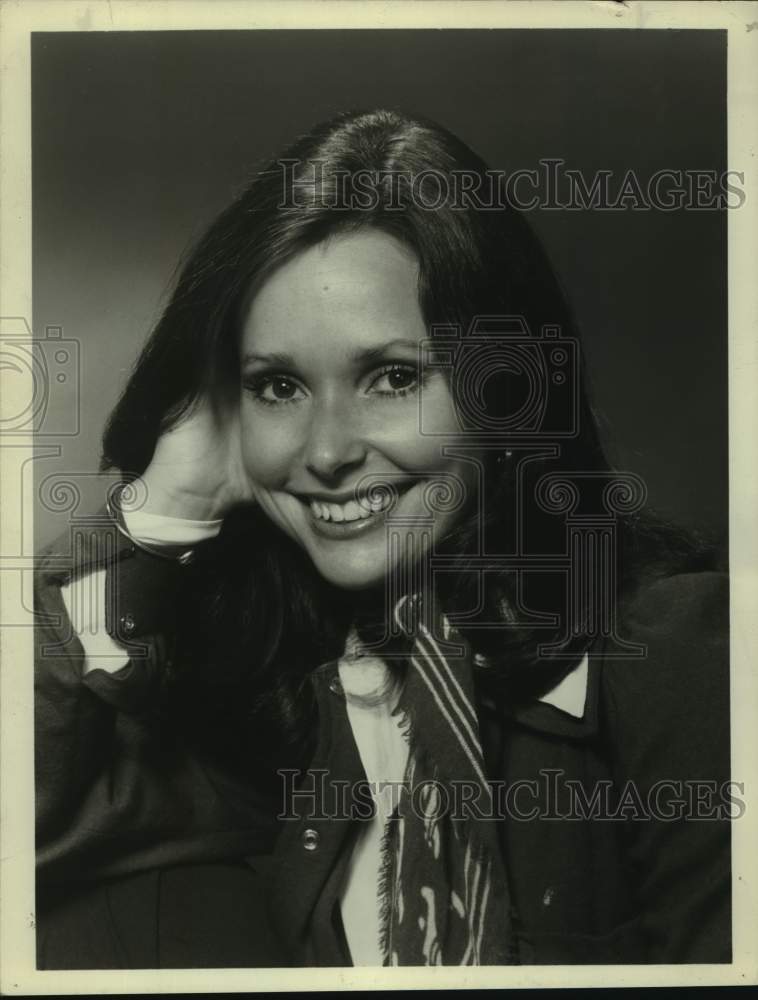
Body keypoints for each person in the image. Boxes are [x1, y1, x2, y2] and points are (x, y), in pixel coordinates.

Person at [34, 109, 730, 968]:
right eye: (278, 387)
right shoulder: (265, 693)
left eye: (394, 377)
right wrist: (168, 504)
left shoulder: (675, 654)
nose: (327, 452)